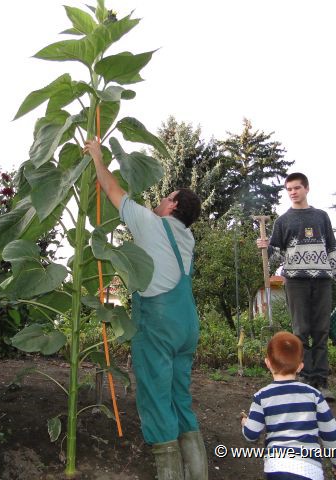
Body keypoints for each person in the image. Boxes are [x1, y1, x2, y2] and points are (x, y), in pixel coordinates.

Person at [84, 139, 207, 480]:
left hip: (160, 322)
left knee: (155, 397)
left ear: (174, 204)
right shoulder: (186, 237)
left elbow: (113, 190)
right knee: (179, 398)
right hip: (186, 325)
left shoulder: (152, 224)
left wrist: (97, 156)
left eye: (166, 197)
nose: (160, 200)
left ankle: (169, 471)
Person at [256, 172, 336, 400]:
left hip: (321, 279)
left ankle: (322, 382)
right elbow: (275, 253)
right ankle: (306, 379)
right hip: (295, 281)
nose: (293, 192)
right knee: (300, 331)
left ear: (306, 189)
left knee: (321, 331)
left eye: (297, 188)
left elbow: (332, 249)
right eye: (289, 189)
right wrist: (265, 246)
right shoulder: (283, 221)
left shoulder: (321, 217)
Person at [241, 331, 336, 480]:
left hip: (276, 468)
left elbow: (251, 434)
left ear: (268, 363)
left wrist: (245, 424)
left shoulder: (262, 397)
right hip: (310, 470)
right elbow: (331, 434)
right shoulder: (314, 395)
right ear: (300, 366)